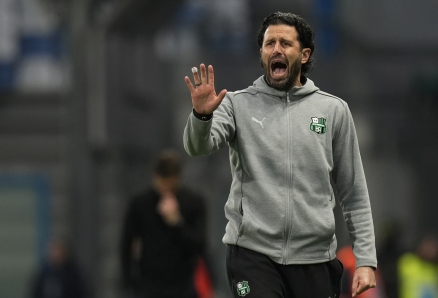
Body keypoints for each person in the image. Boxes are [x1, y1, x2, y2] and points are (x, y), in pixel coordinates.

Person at [183, 11, 376, 298]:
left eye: (285, 43)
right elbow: (198, 147)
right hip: (253, 255)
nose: (276, 49)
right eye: (269, 43)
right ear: (261, 53)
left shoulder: (333, 111)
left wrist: (366, 261)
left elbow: (354, 193)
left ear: (305, 54)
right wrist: (201, 115)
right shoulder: (236, 105)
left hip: (314, 260)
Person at [120, 149, 208, 298]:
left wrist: (177, 223)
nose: (166, 189)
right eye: (162, 183)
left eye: (171, 184)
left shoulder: (193, 202)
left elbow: (200, 245)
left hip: (183, 287)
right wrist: (130, 283)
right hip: (148, 287)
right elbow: (126, 244)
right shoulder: (140, 203)